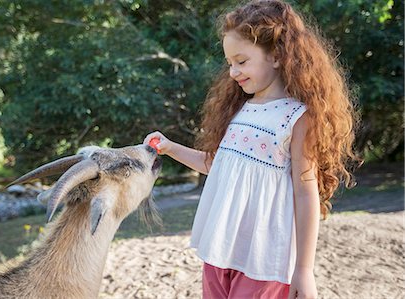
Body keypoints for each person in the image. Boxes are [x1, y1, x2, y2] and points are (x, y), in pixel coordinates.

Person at [144, 0, 359, 298]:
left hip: (263, 259)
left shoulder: (297, 117)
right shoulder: (241, 110)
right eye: (230, 63)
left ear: (275, 55)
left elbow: (304, 192)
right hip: (219, 251)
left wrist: (304, 270)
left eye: (241, 61)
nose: (233, 72)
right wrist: (169, 147)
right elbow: (215, 165)